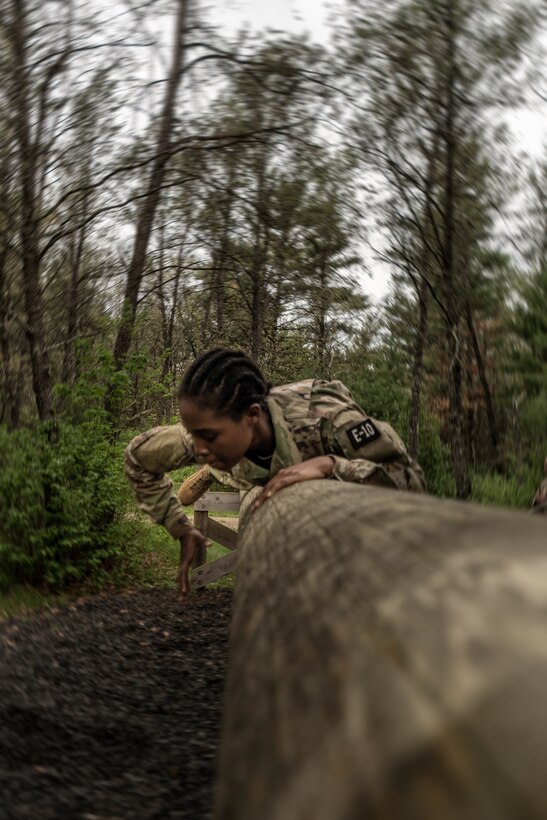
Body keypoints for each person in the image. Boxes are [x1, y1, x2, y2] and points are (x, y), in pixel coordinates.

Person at [125, 348, 426, 597]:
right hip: (256, 480)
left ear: (251, 416)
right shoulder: (208, 432)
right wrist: (179, 527)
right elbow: (138, 457)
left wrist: (331, 465)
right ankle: (220, 472)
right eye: (194, 436)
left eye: (209, 437)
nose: (198, 447)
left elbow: (409, 479)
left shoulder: (324, 417)